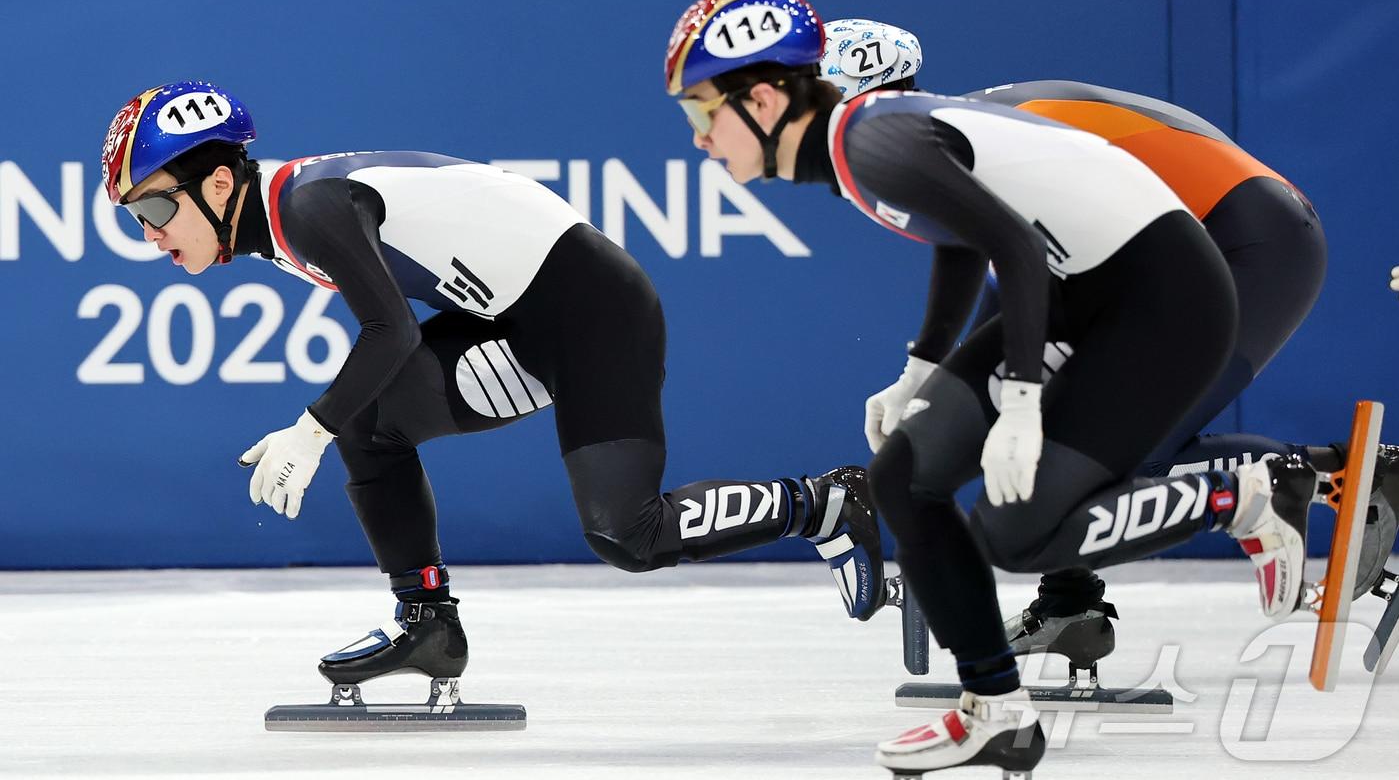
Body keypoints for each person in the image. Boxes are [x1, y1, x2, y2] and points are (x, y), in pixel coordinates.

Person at [663, 0, 1339, 778]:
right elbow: (965, 240)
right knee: (903, 476)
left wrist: (1020, 403)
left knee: (1019, 533)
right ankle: (996, 713)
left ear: (768, 99)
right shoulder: (862, 144)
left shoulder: (871, 144)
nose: (702, 140)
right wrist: (922, 367)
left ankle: (1244, 491)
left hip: (1163, 295)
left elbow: (1014, 249)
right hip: (1083, 282)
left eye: (703, 114)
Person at [98, 81, 887, 700]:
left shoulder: (305, 205)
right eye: (137, 218)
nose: (152, 234)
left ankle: (822, 501)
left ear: (223, 183)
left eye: (158, 207)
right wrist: (328, 422)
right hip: (518, 320)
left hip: (594, 315)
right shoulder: (277, 217)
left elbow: (392, 332)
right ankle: (428, 623)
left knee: (627, 534)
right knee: (369, 421)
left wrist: (308, 429)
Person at [820, 19, 1399, 681]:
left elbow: (1017, 267)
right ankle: (1071, 605)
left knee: (1112, 450)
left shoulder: (929, 140)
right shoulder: (939, 129)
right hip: (1209, 233)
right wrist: (927, 377)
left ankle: (1334, 475)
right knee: (1063, 431)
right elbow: (1004, 277)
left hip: (1248, 236)